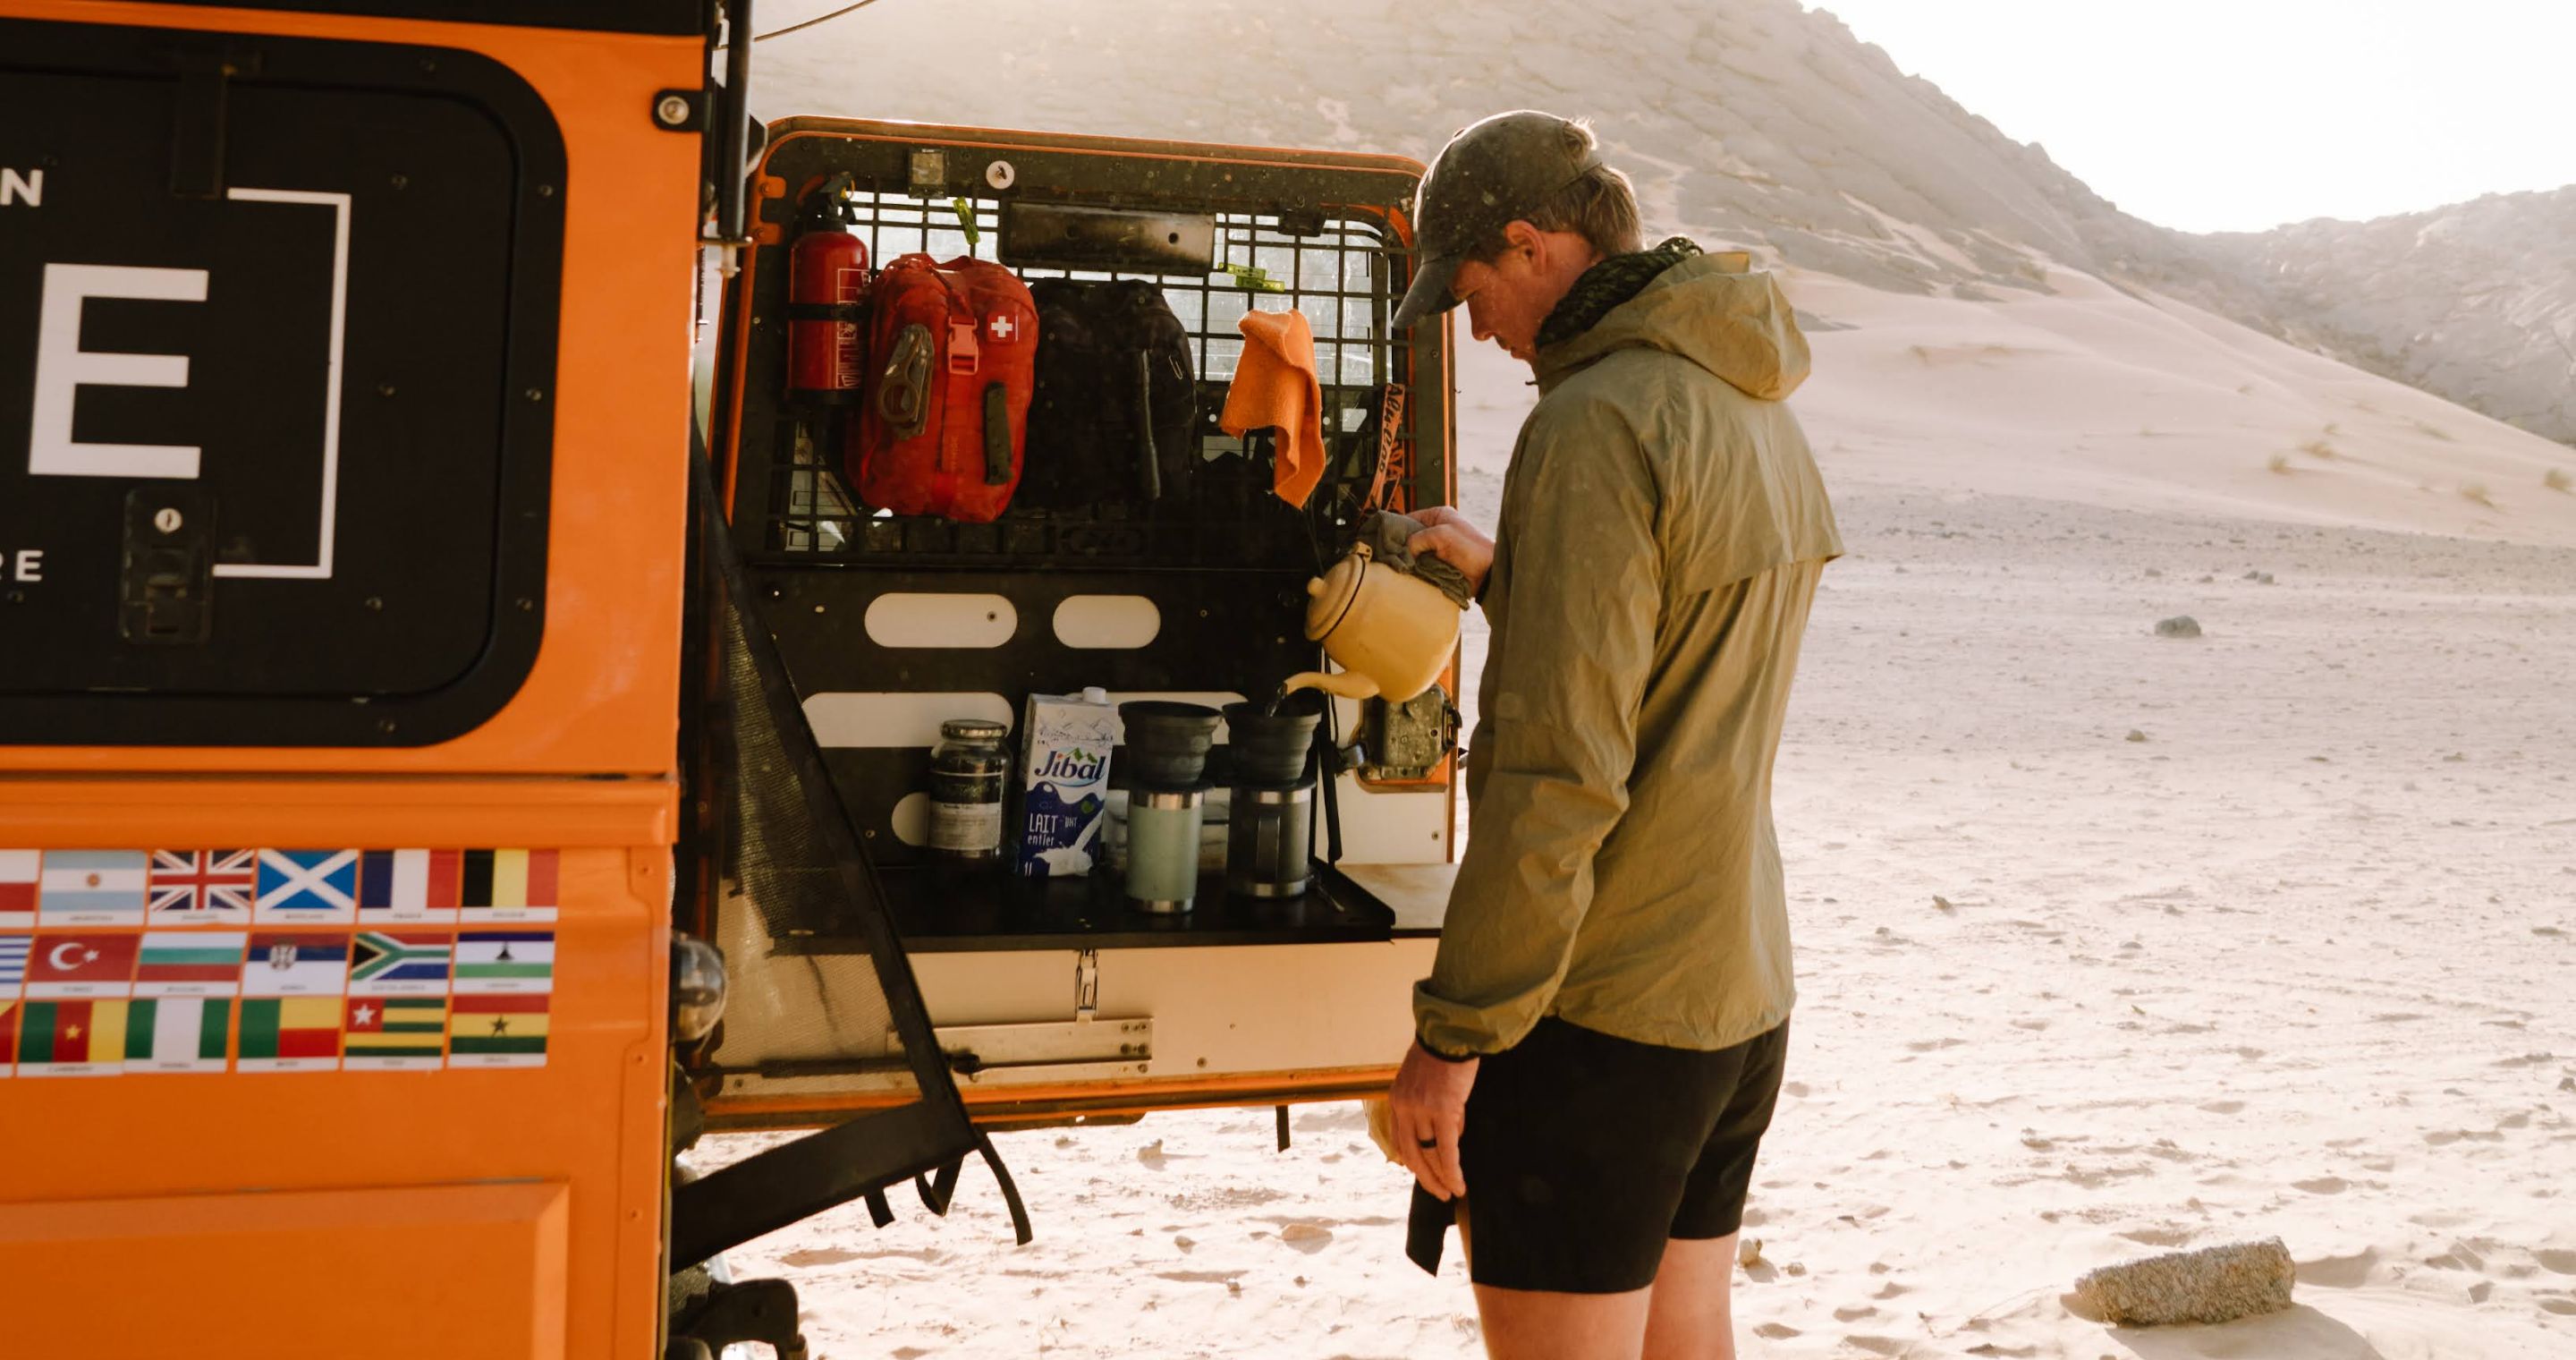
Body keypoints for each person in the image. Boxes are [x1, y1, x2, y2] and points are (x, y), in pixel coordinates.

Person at [1384, 110, 1843, 1360]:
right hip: (1734, 994)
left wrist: (1452, 1037)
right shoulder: (1748, 399)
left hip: (1599, 1016)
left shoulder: (1592, 426)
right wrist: (1516, 583)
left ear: (1531, 247)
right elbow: (1681, 657)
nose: (1475, 330)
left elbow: (1556, 772)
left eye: (1473, 293)